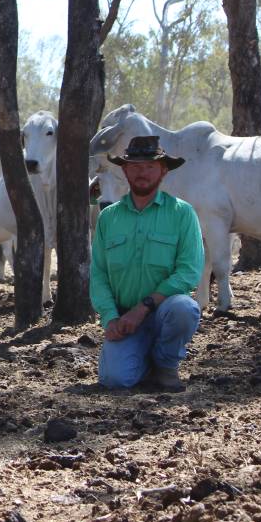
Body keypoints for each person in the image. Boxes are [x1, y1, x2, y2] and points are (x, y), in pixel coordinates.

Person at [90, 135, 204, 392]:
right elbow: (98, 273)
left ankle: (165, 365)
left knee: (185, 308)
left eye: (150, 166)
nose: (142, 172)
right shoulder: (108, 218)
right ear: (125, 170)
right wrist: (110, 319)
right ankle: (142, 358)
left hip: (165, 312)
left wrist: (143, 309)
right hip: (124, 317)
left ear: (163, 171)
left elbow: (189, 273)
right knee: (115, 380)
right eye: (135, 166)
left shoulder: (182, 213)